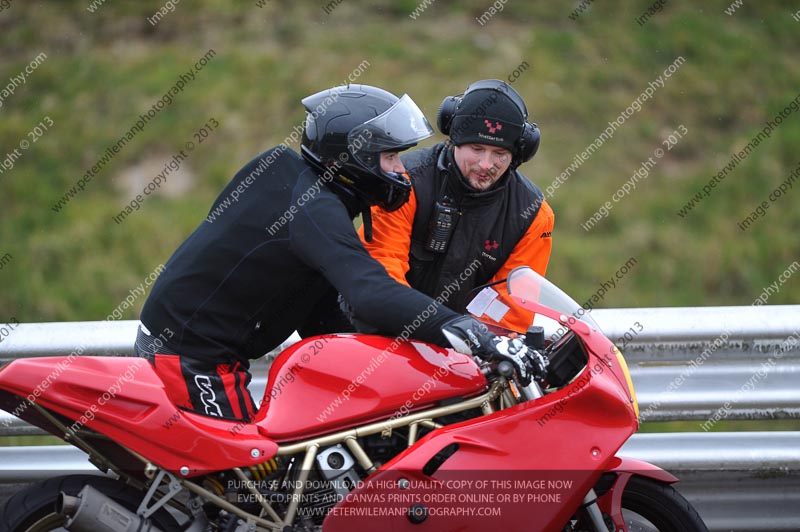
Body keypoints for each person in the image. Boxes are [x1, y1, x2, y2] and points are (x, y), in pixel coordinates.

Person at [135, 84, 531, 422]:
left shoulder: (291, 180)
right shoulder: (312, 205)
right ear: (356, 156)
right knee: (248, 479)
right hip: (191, 359)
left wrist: (399, 369)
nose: (400, 170)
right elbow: (370, 291)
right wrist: (469, 331)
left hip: (195, 351)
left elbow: (319, 310)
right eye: (391, 157)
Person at [358, 79, 555, 334]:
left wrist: (472, 344)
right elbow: (382, 274)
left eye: (500, 153)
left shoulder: (533, 215)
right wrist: (436, 331)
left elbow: (511, 311)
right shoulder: (403, 183)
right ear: (454, 142)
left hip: (469, 347)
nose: (486, 164)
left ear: (518, 155)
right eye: (477, 148)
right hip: (385, 334)